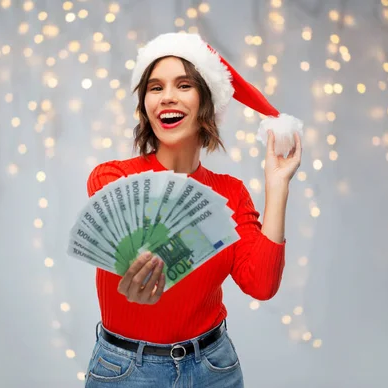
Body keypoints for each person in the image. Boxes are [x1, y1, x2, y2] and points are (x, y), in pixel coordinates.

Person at [84, 32, 302, 387]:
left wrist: (277, 186)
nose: (167, 96)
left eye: (183, 85)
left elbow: (261, 285)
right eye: (155, 88)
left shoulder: (231, 194)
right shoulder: (113, 176)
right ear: (145, 107)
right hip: (126, 372)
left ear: (207, 104)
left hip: (213, 368)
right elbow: (130, 241)